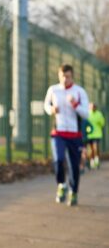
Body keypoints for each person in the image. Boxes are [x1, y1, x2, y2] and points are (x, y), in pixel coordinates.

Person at [44, 64, 89, 207]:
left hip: (75, 135)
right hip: (58, 133)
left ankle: (73, 192)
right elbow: (45, 105)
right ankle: (61, 185)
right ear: (59, 76)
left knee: (74, 167)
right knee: (58, 159)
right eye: (62, 76)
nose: (65, 79)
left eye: (68, 76)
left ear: (72, 76)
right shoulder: (53, 90)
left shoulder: (79, 92)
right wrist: (51, 109)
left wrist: (75, 104)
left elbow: (86, 114)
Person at [87, 102, 105, 169]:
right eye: (90, 107)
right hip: (89, 135)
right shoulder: (87, 114)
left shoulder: (99, 114)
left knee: (96, 148)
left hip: (97, 134)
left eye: (93, 106)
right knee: (91, 149)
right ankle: (91, 162)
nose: (92, 108)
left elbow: (102, 123)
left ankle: (97, 161)